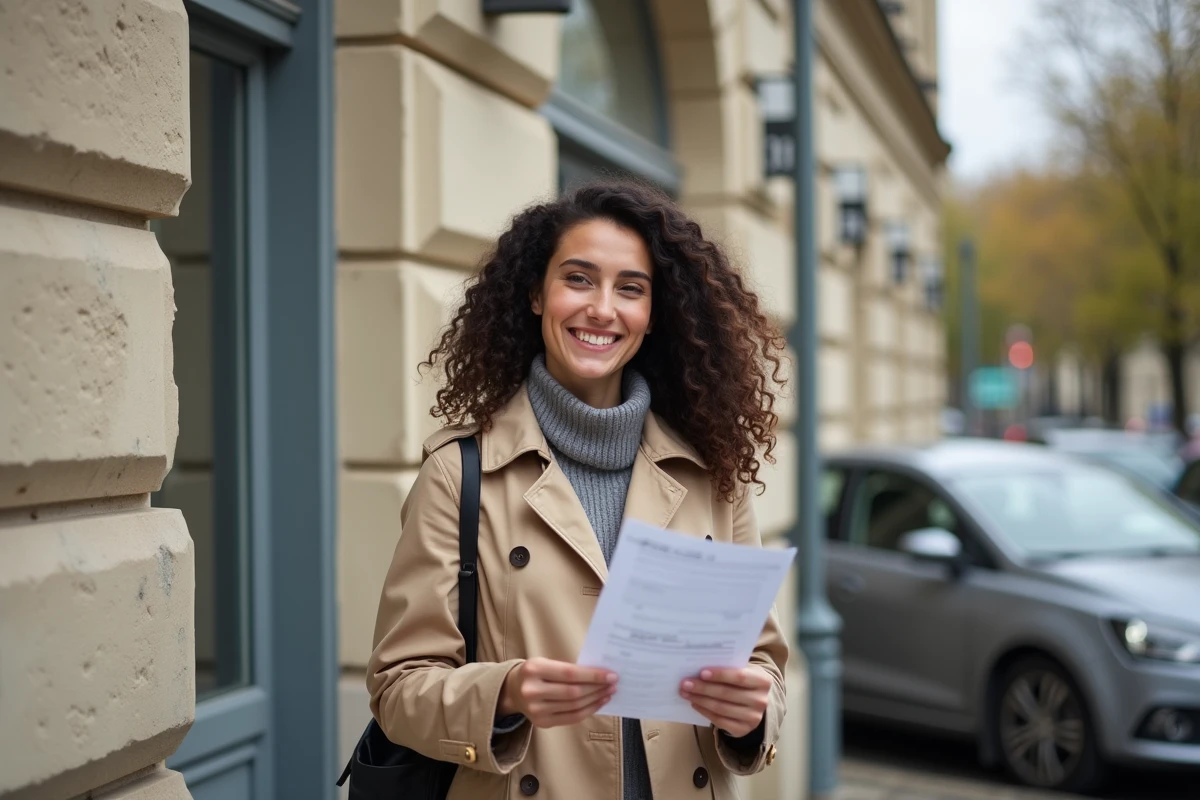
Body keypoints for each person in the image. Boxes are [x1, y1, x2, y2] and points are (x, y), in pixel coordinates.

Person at [366, 180, 790, 800]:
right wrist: (503, 692)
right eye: (579, 279)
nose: (602, 309)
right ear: (537, 294)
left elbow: (765, 663)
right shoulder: (460, 473)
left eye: (630, 288)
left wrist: (753, 711)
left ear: (653, 314)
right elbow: (398, 685)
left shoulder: (711, 474)